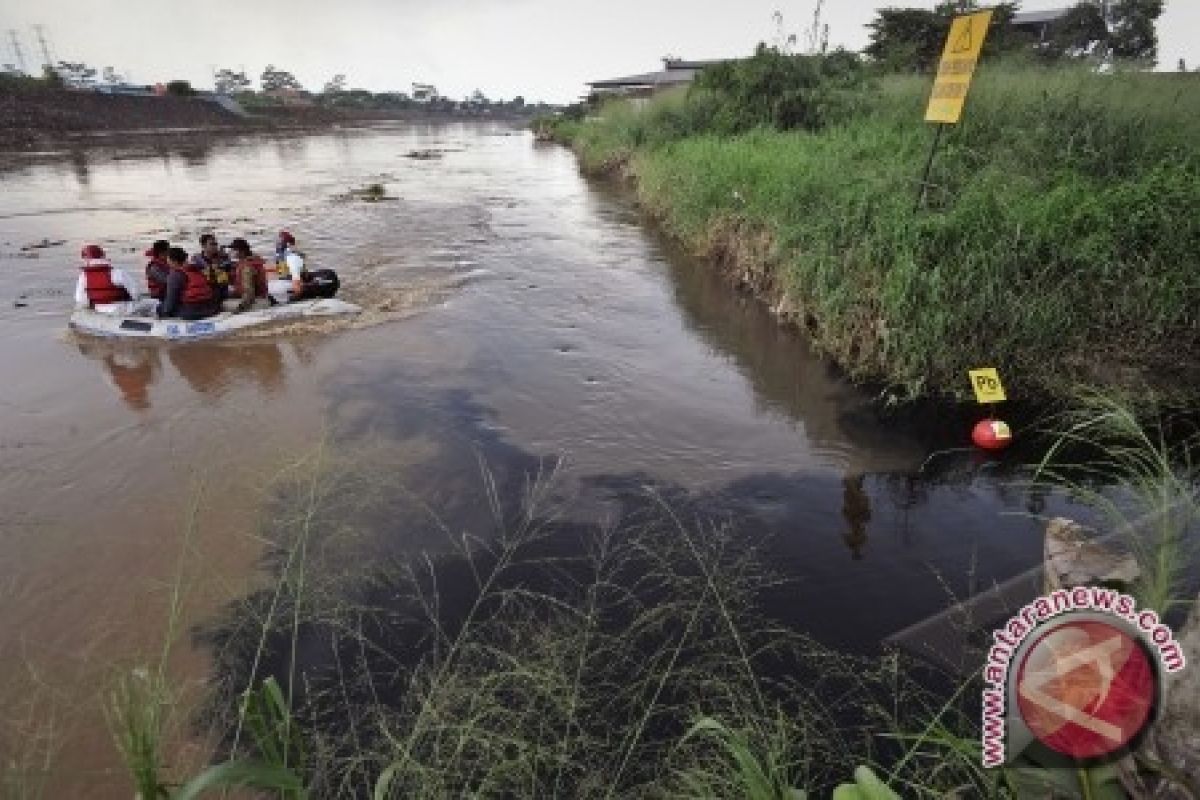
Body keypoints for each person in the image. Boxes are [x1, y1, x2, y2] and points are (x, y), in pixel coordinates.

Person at [158, 246, 218, 320]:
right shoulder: (196, 269)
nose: (167, 263)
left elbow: (171, 301)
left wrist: (163, 312)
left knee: (160, 308)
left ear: (174, 261)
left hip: (191, 312)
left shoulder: (175, 275)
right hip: (210, 308)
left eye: (168, 260)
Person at [74, 244, 140, 309]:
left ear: (85, 259)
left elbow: (80, 299)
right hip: (123, 309)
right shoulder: (118, 272)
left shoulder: (83, 276)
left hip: (99, 310)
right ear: (103, 256)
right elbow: (135, 293)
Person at [226, 238, 270, 311]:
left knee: (223, 304)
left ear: (241, 251)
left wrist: (241, 307)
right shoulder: (253, 261)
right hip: (262, 297)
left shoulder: (247, 267)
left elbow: (249, 292)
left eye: (234, 250)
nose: (231, 252)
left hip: (256, 302)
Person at [189, 233, 233, 302]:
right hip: (203, 292)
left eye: (216, 244)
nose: (215, 246)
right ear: (203, 246)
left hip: (221, 291)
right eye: (212, 244)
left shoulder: (224, 258)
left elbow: (229, 274)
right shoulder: (196, 259)